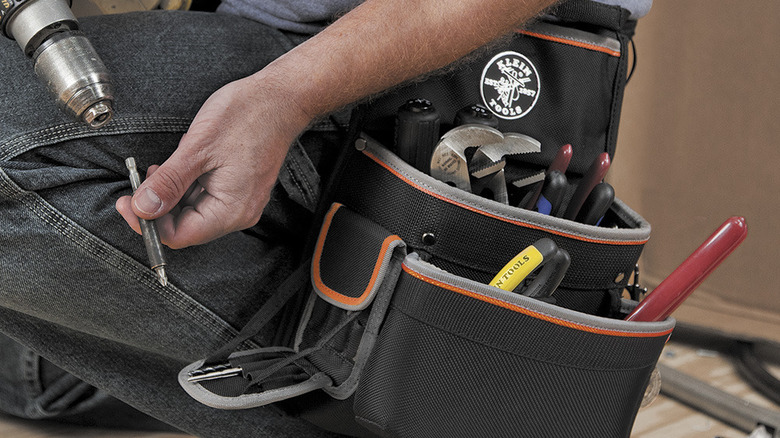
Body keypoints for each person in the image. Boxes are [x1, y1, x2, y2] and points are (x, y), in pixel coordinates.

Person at [0, 0, 651, 436]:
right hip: (247, 32)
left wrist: (288, 96)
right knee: (29, 375)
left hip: (393, 60)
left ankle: (384, 398)